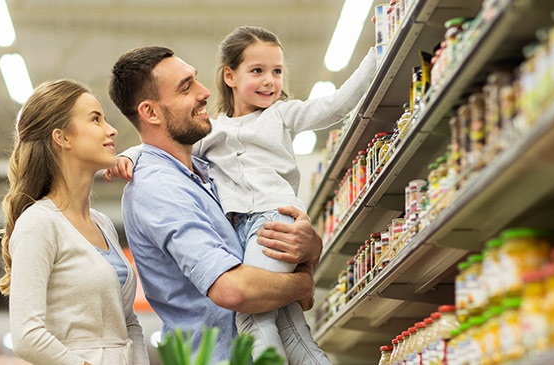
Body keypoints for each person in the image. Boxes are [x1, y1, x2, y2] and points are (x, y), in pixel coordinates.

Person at [106, 26, 376, 363]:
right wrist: (304, 282)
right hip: (219, 354)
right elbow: (234, 291)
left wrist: (310, 248)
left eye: (277, 71)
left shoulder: (204, 170)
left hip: (272, 220)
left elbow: (333, 106)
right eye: (186, 86)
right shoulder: (161, 185)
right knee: (272, 324)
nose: (204, 92)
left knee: (291, 330)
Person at [0, 79, 149, 365]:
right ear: (62, 137)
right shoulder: (39, 224)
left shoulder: (103, 225)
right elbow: (26, 336)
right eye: (95, 119)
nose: (111, 129)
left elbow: (129, 323)